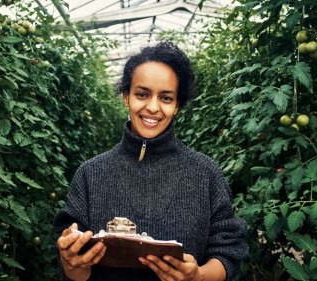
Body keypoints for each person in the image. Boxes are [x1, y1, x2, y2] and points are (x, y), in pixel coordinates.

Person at [53, 42, 248, 281]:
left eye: (166, 98)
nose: (153, 107)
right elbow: (74, 269)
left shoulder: (205, 173)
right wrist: (72, 262)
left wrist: (198, 276)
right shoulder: (91, 174)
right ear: (126, 97)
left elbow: (227, 252)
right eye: (142, 94)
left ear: (177, 105)